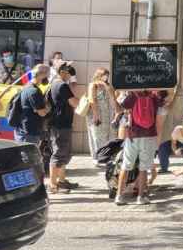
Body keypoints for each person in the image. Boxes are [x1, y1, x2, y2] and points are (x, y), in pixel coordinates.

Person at [116, 90, 165, 205]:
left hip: (132, 136)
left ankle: (119, 196)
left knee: (126, 166)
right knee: (143, 168)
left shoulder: (132, 95)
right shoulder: (154, 96)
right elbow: (164, 103)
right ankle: (141, 197)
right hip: (149, 135)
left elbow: (120, 105)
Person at [47, 63, 80, 194]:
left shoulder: (53, 84)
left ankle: (61, 180)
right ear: (61, 72)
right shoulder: (62, 85)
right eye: (68, 74)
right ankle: (53, 184)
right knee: (59, 153)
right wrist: (83, 101)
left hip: (58, 123)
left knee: (63, 153)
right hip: (61, 124)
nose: (69, 77)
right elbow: (74, 102)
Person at [13, 64, 50, 144]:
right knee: (29, 156)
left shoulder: (26, 87)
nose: (47, 78)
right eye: (47, 75)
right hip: (29, 132)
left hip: (24, 130)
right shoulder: (33, 91)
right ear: (40, 75)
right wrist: (48, 108)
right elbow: (42, 113)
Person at [86, 68, 117, 164]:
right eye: (104, 75)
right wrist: (96, 115)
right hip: (97, 114)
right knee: (97, 135)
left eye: (107, 75)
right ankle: (98, 157)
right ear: (98, 75)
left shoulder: (108, 86)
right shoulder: (93, 85)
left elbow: (113, 99)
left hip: (108, 114)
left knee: (109, 135)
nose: (106, 77)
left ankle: (107, 156)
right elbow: (92, 100)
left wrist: (106, 87)